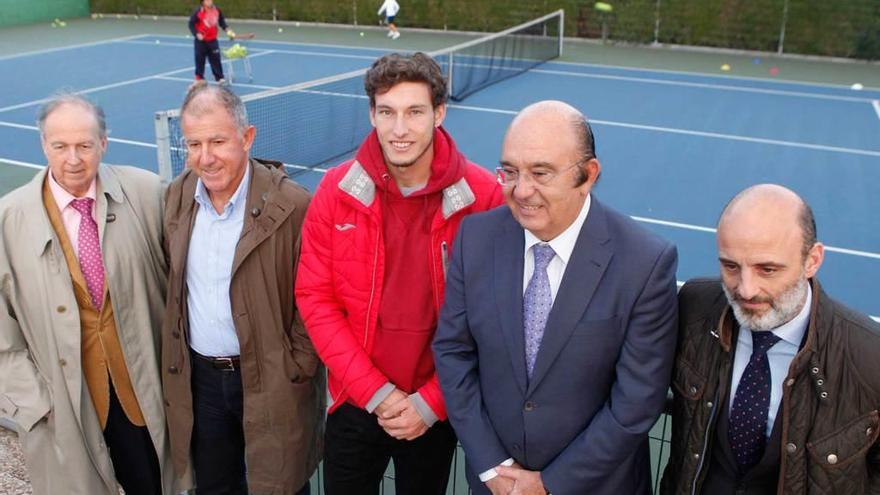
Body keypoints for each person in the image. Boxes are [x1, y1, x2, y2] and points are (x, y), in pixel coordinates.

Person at [433, 100, 679, 495]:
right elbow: (452, 352)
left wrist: (550, 484)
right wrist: (493, 465)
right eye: (510, 172)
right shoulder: (475, 239)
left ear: (588, 175)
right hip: (496, 484)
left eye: (540, 173)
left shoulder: (645, 262)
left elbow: (636, 401)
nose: (521, 191)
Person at [295, 52, 503, 495]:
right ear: (372, 115)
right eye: (387, 112)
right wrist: (375, 393)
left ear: (440, 113)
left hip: (435, 408)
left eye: (414, 112)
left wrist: (432, 403)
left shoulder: (484, 197)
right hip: (355, 401)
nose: (399, 129)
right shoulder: (334, 191)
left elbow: (494, 317)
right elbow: (315, 297)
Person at [0, 93, 173, 494]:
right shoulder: (9, 220)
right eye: (60, 146)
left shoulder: (147, 193)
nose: (73, 159)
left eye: (84, 145)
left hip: (141, 397)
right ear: (44, 144)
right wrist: (35, 403)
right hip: (65, 405)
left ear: (104, 144)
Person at [660, 184, 880, 494]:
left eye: (767, 269)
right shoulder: (694, 308)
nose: (746, 289)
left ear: (813, 260)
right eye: (731, 266)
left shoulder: (869, 356)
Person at [161, 83, 323, 494]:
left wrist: (296, 365)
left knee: (279, 483)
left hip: (271, 379)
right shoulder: (177, 197)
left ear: (247, 138)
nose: (205, 157)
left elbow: (316, 296)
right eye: (193, 144)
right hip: (202, 384)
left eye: (217, 141)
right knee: (215, 486)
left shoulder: (293, 206)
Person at [188, 0, 234, 84]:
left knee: (216, 59)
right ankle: (199, 78)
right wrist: (197, 34)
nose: (210, 1)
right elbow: (191, 24)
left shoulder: (217, 10)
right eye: (207, 0)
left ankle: (219, 77)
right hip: (200, 41)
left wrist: (228, 31)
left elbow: (222, 22)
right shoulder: (198, 12)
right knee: (200, 59)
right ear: (203, 2)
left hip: (212, 40)